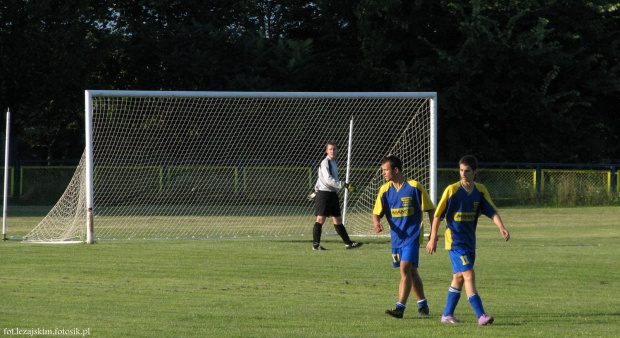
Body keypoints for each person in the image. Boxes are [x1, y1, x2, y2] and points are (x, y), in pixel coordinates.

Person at [426, 155, 510, 326]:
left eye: (467, 171)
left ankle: (447, 315)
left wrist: (501, 227)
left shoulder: (479, 191)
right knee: (469, 275)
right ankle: (481, 315)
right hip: (455, 242)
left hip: (470, 243)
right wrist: (433, 237)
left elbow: (491, 210)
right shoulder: (452, 190)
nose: (463, 174)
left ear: (475, 172)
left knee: (458, 277)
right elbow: (437, 215)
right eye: (461, 170)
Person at [372, 155, 435, 318]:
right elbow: (376, 212)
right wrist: (376, 223)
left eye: (385, 170)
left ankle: (399, 308)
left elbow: (430, 210)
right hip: (396, 239)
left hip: (412, 237)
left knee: (405, 268)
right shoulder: (384, 190)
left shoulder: (414, 187)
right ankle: (423, 305)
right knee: (412, 272)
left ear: (396, 170)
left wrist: (433, 234)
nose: (383, 174)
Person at [311, 142, 362, 250]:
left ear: (337, 151)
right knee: (320, 219)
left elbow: (322, 178)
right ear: (326, 151)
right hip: (324, 194)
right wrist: (345, 185)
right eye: (330, 149)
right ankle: (316, 245)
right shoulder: (325, 163)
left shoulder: (334, 163)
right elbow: (328, 180)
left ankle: (348, 243)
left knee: (338, 220)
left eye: (334, 149)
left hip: (332, 194)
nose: (332, 151)